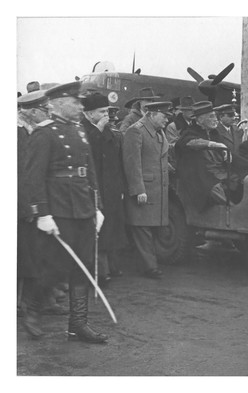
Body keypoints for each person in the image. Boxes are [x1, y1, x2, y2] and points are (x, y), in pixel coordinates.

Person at [22, 81, 108, 343]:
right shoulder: (43, 133)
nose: (80, 106)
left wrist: (97, 207)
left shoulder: (79, 131)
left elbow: (90, 172)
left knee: (82, 267)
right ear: (58, 104)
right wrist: (42, 213)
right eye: (76, 102)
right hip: (58, 209)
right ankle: (32, 310)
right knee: (54, 267)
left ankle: (77, 325)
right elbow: (32, 177)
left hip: (82, 207)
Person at [17, 90, 69, 316]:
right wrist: (27, 206)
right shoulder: (18, 133)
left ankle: (39, 300)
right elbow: (20, 175)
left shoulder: (33, 131)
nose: (49, 114)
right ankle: (22, 304)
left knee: (37, 255)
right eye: (45, 111)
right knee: (22, 256)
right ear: (33, 112)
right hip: (22, 206)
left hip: (35, 203)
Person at [81, 93, 128, 285]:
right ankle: (100, 272)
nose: (106, 115)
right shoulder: (84, 129)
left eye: (106, 111)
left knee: (111, 227)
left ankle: (111, 265)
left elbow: (116, 160)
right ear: (90, 113)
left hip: (111, 187)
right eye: (101, 112)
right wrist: (98, 131)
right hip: (95, 187)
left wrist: (120, 186)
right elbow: (88, 154)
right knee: (98, 229)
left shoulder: (106, 130)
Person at [122, 101, 172, 279]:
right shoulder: (136, 130)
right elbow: (131, 163)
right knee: (142, 229)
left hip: (157, 188)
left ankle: (149, 264)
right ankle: (149, 267)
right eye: (164, 116)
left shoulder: (157, 131)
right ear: (152, 114)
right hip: (145, 189)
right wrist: (138, 189)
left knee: (150, 228)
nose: (166, 120)